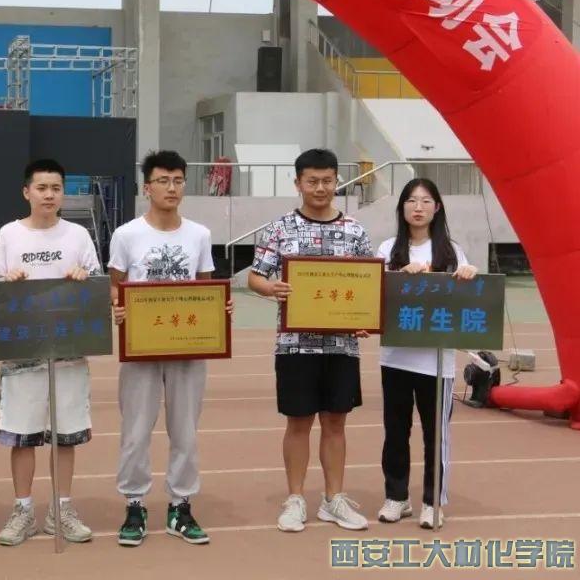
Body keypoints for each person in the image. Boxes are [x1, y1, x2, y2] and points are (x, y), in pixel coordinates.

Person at [247, 148, 373, 534]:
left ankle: (334, 499)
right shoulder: (280, 228)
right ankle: (296, 498)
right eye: (312, 181)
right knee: (298, 421)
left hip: (342, 346)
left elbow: (369, 285)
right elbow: (254, 277)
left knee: (336, 422)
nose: (320, 188)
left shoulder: (355, 230)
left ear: (337, 182)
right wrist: (272, 288)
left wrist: (365, 318)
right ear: (298, 183)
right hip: (295, 345)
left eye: (327, 180)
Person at [109, 150, 229, 547]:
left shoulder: (199, 235)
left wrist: (219, 308)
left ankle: (181, 505)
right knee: (135, 430)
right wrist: (119, 308)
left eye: (178, 180)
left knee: (185, 431)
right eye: (163, 180)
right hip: (141, 348)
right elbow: (115, 287)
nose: (171, 188)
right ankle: (135, 504)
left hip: (187, 348)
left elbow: (206, 289)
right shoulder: (126, 235)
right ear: (147, 187)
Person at [0, 159, 101, 546]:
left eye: (56, 188)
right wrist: (7, 281)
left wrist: (86, 278)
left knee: (65, 434)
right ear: (27, 192)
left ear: (63, 193)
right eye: (41, 188)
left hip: (69, 352)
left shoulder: (78, 236)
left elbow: (97, 286)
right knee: (22, 435)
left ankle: (60, 508)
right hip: (22, 354)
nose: (49, 195)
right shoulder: (9, 234)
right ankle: (22, 509)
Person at [376, 178, 477, 530]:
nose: (418, 207)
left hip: (437, 362)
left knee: (436, 435)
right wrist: (397, 274)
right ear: (401, 207)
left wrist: (469, 275)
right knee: (395, 431)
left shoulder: (451, 251)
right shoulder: (387, 249)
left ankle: (433, 502)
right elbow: (374, 298)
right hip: (395, 358)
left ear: (437, 208)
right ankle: (396, 497)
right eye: (411, 200)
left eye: (425, 201)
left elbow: (467, 299)